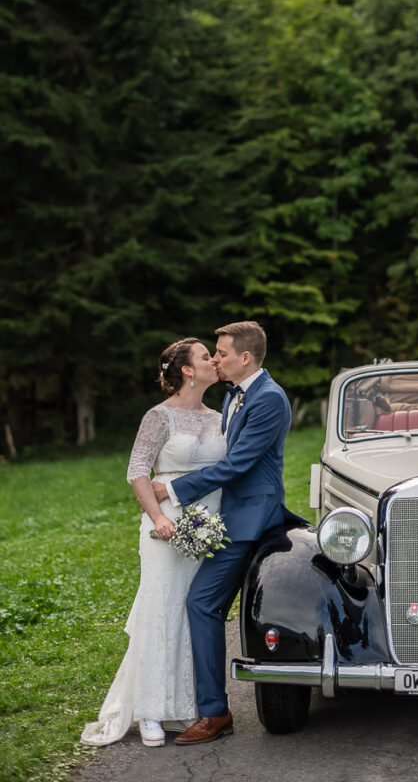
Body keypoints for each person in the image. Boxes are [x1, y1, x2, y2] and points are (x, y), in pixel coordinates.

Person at [152, 320, 302, 746]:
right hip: (230, 514)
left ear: (246, 357)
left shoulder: (269, 399)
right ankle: (210, 708)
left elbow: (238, 466)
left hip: (250, 521)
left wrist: (174, 488)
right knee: (202, 603)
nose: (215, 359)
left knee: (201, 603)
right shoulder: (235, 394)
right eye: (213, 353)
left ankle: (215, 713)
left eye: (221, 352)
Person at [81, 338, 226, 748]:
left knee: (191, 613)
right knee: (160, 611)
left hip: (208, 529)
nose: (213, 361)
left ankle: (183, 706)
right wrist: (159, 517)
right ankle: (148, 711)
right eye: (205, 357)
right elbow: (137, 471)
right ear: (187, 370)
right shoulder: (159, 417)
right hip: (167, 529)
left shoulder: (219, 417)